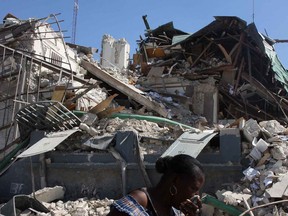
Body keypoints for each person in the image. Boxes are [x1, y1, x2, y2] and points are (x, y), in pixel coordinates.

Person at [107, 154, 205, 216]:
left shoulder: (174, 211)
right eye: (193, 188)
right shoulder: (138, 202)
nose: (196, 196)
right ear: (175, 180)